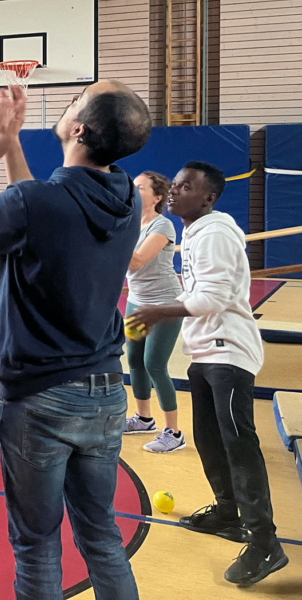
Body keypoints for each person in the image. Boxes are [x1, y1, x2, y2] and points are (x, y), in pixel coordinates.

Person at [0, 81, 151, 600]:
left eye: (75, 100)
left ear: (78, 129)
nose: (67, 104)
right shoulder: (125, 196)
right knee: (102, 535)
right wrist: (15, 142)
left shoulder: (36, 203)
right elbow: (37, 206)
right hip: (105, 392)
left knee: (37, 547)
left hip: (40, 398)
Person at [129, 162, 288, 587]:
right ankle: (227, 511)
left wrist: (159, 310)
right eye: (175, 185)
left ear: (208, 198)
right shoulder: (196, 231)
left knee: (239, 445)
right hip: (204, 352)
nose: (175, 191)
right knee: (208, 437)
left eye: (185, 187)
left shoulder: (215, 232)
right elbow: (196, 289)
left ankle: (264, 543)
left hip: (229, 352)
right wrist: (163, 305)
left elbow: (214, 297)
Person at [123, 171, 185, 453]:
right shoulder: (130, 223)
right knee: (134, 360)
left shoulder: (163, 227)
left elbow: (135, 262)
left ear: (157, 197)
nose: (133, 190)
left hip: (164, 305)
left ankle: (173, 432)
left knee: (154, 365)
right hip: (137, 302)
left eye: (140, 187)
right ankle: (144, 418)